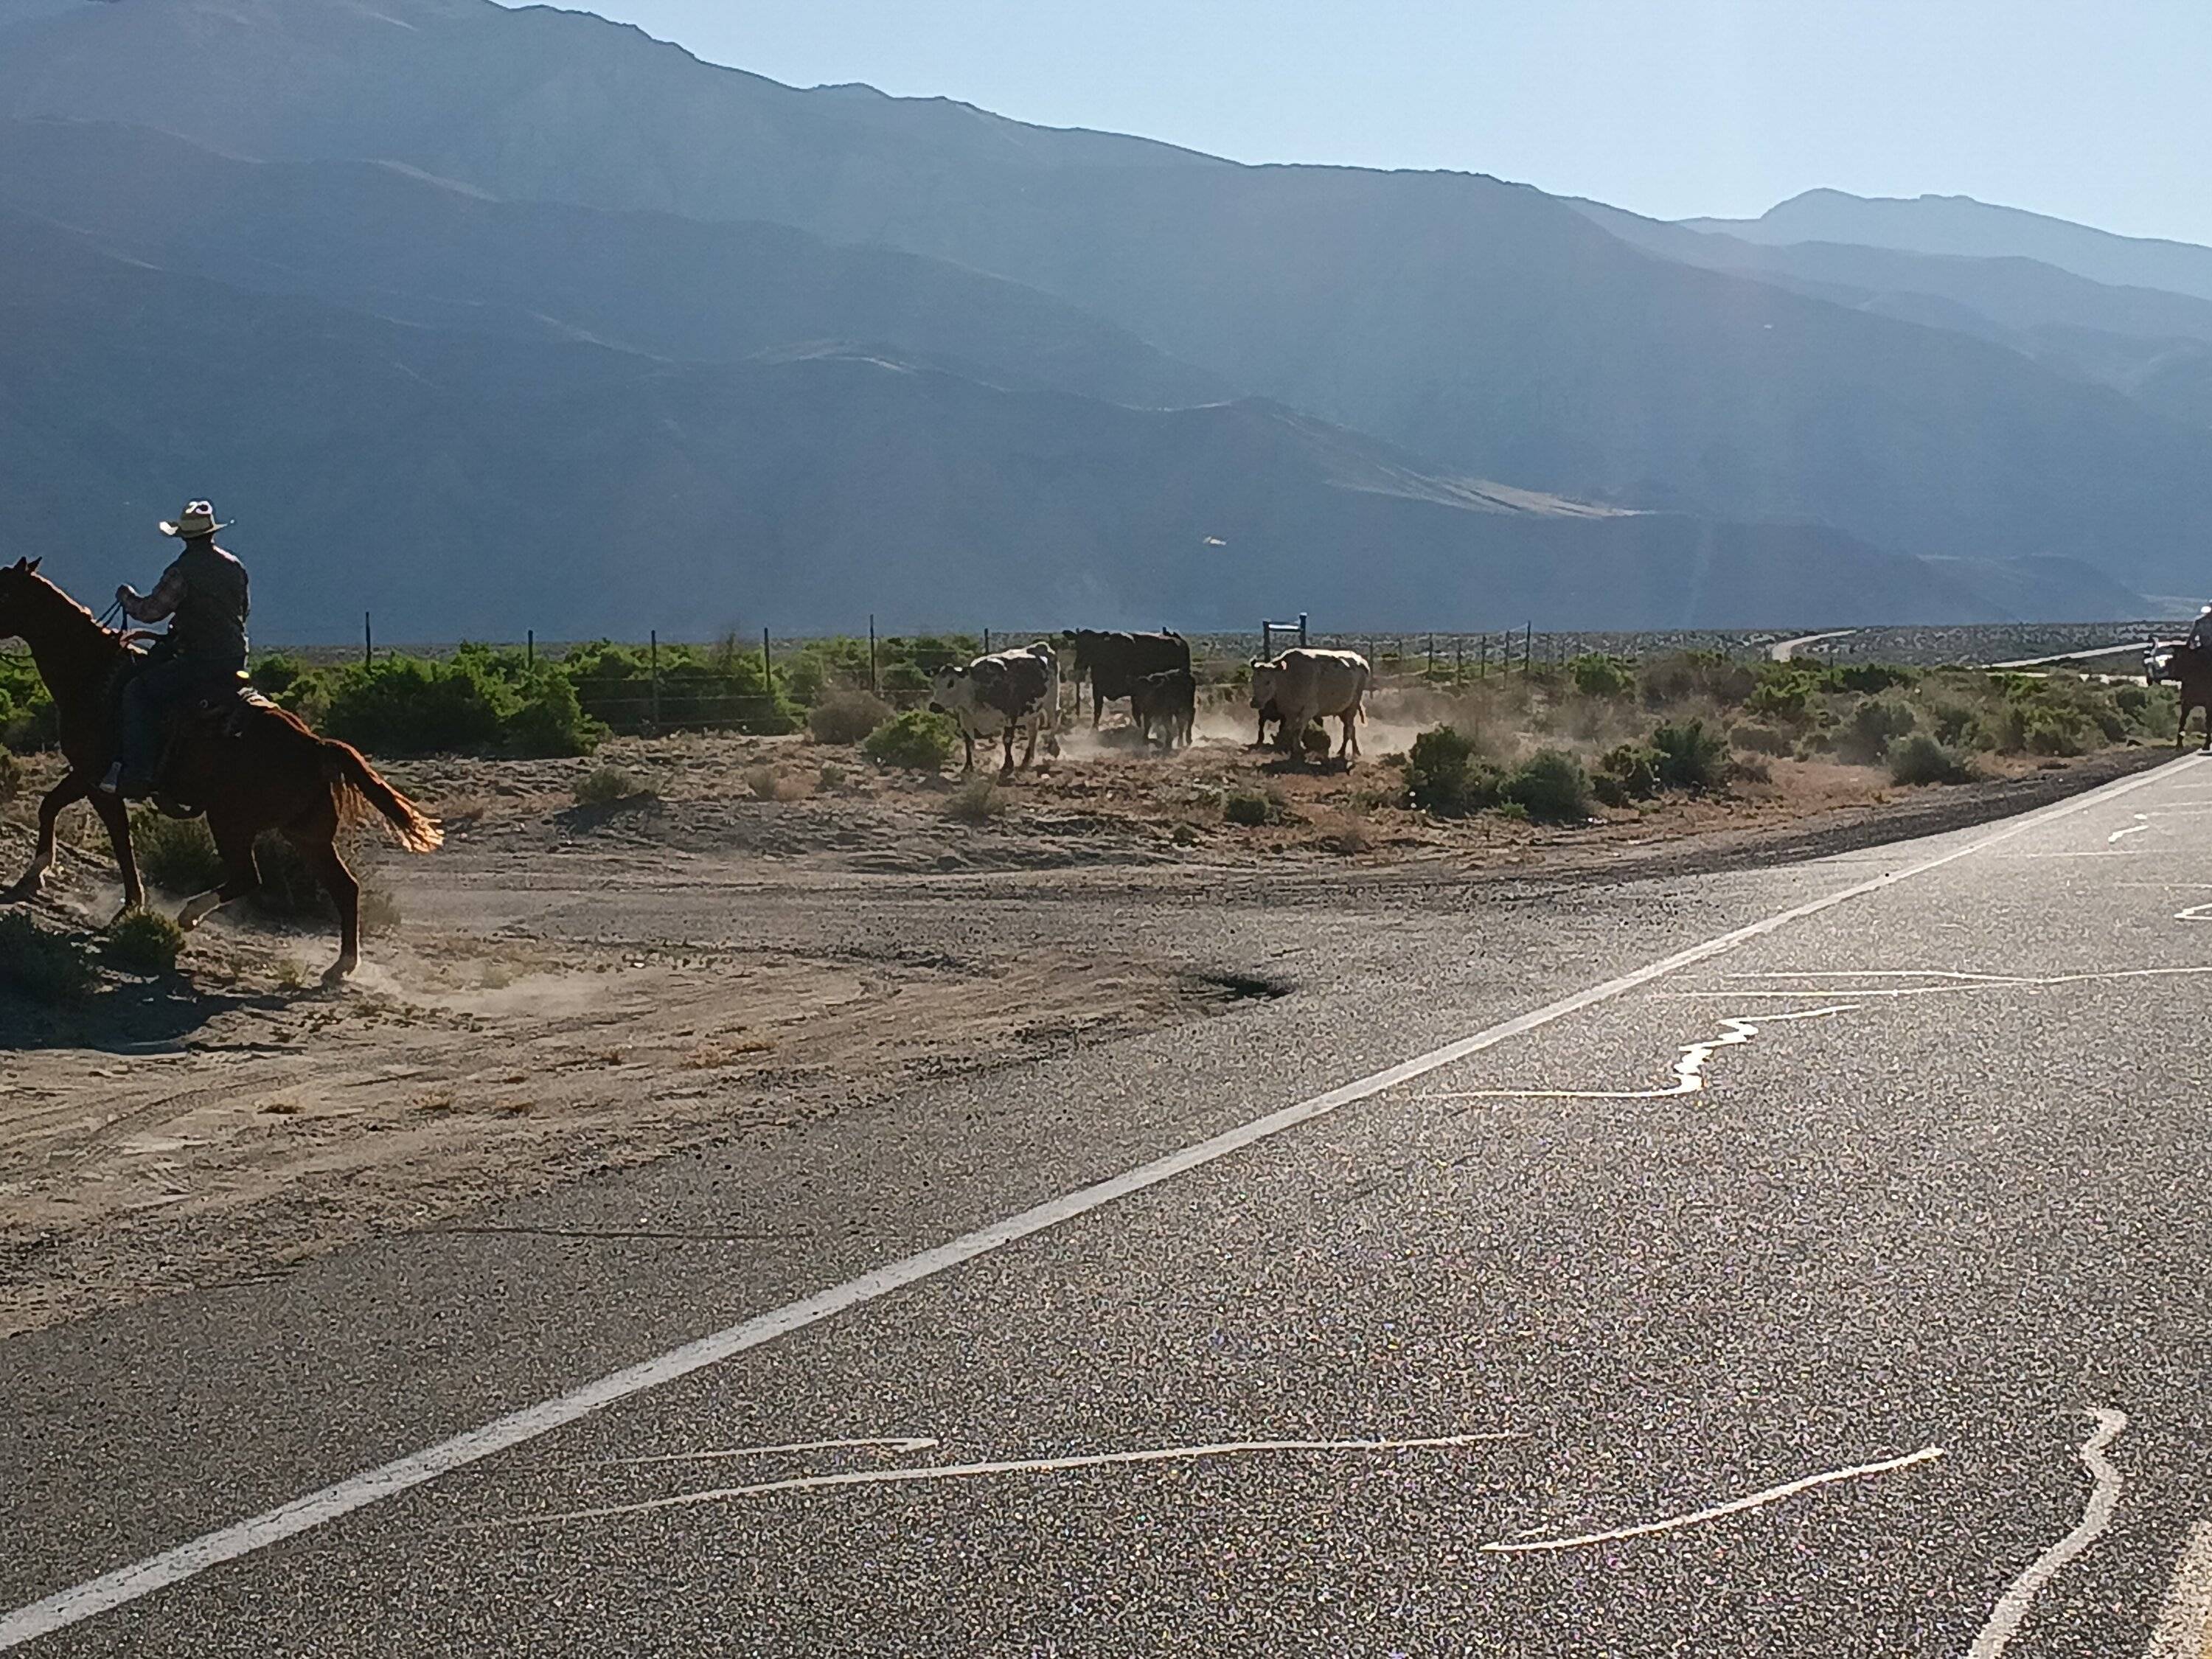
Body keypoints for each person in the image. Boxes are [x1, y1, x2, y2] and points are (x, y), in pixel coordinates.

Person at [99, 500, 251, 799]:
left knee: (136, 692)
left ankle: (138, 773)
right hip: (235, 657)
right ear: (211, 534)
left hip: (200, 660)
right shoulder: (234, 566)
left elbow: (151, 611)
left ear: (184, 536)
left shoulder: (181, 571)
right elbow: (243, 611)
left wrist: (125, 596)